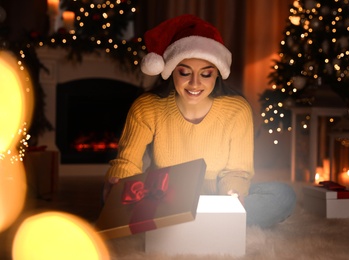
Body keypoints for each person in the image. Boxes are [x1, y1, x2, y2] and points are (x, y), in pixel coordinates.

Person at [103, 14, 296, 228]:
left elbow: (237, 171)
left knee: (282, 195)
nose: (195, 83)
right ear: (170, 71)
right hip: (166, 198)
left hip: (217, 199)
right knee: (110, 198)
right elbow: (127, 162)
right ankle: (210, 226)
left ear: (217, 75)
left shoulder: (237, 109)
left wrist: (234, 194)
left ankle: (194, 224)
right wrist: (118, 183)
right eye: (185, 72)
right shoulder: (147, 106)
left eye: (206, 74)